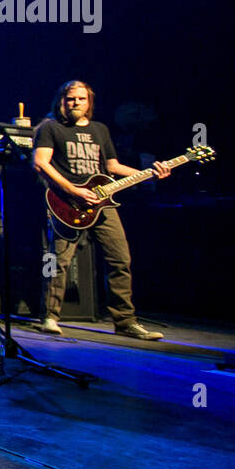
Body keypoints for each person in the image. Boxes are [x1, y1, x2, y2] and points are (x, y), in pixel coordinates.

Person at [33, 80, 169, 339]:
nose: (75, 103)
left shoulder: (100, 129)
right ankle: (50, 316)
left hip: (103, 204)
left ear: (89, 103)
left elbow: (113, 166)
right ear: (61, 100)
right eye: (70, 99)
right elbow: (40, 164)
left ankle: (126, 322)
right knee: (58, 262)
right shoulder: (50, 128)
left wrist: (148, 175)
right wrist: (73, 190)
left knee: (120, 260)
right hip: (66, 204)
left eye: (81, 99)